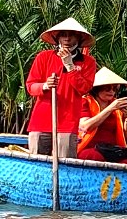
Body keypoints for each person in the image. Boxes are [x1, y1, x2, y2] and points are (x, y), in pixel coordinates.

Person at [24, 17, 99, 159]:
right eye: (63, 35)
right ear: (57, 38)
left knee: (65, 163)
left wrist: (70, 66)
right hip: (41, 120)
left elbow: (84, 89)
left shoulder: (88, 62)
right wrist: (45, 85)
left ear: (79, 38)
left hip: (68, 122)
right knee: (36, 163)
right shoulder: (43, 57)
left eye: (71, 35)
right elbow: (31, 86)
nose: (67, 38)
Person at [77, 68, 127, 162]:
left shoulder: (117, 105)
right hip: (91, 147)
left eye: (114, 88)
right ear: (96, 89)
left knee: (125, 162)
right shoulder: (86, 101)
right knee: (94, 157)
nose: (112, 91)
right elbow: (86, 126)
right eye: (107, 88)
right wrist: (110, 108)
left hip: (112, 150)